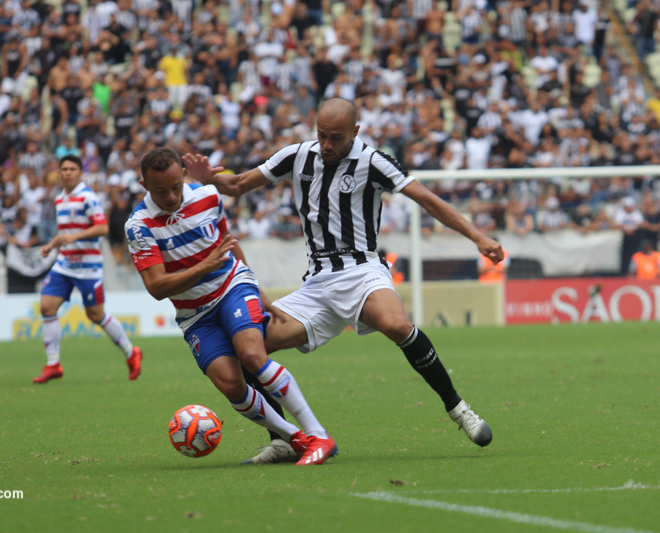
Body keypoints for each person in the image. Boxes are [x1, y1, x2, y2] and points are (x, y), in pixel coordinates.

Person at [184, 98, 502, 461]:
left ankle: (457, 408)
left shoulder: (373, 161)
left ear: (355, 131)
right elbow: (238, 184)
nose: (327, 145)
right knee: (247, 350)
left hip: (361, 271)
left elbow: (427, 200)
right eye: (321, 135)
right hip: (317, 284)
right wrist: (213, 180)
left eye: (336, 137)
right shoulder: (298, 156)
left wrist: (478, 237)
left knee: (397, 325)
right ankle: (284, 439)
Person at [126, 147, 336, 466]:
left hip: (230, 286)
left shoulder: (207, 196)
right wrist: (203, 266)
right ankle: (294, 438)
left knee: (252, 355)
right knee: (231, 385)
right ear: (144, 186)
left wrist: (258, 289)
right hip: (194, 315)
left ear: (183, 176)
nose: (170, 196)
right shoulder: (138, 226)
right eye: (160, 190)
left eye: (176, 187)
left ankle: (318, 434)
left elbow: (229, 244)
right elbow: (156, 287)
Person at [33, 154, 142, 384]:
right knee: (46, 306)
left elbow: (102, 228)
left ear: (80, 173)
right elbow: (65, 232)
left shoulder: (88, 198)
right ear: (60, 173)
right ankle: (53, 364)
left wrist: (75, 236)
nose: (68, 172)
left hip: (88, 268)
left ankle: (131, 353)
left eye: (72, 169)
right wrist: (51, 245)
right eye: (64, 169)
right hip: (64, 264)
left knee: (96, 315)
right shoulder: (60, 198)